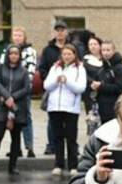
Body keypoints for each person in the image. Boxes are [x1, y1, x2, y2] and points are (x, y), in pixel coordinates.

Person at [0, 45, 31, 176]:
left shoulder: (23, 71)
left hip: (17, 107)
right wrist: (6, 96)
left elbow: (26, 88)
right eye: (11, 53)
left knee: (16, 138)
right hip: (0, 106)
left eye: (16, 53)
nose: (13, 56)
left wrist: (12, 98)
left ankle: (13, 166)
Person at [44, 44, 86, 176]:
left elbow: (80, 88)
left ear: (74, 55)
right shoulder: (55, 67)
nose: (67, 57)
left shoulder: (80, 68)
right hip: (54, 107)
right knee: (57, 137)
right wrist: (56, 81)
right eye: (64, 54)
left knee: (71, 137)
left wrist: (67, 81)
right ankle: (58, 164)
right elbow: (46, 86)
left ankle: (73, 165)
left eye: (69, 54)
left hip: (71, 108)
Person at [4, 26, 38, 158]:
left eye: (20, 35)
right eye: (15, 35)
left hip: (23, 90)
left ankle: (29, 147)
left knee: (26, 118)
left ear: (24, 37)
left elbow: (30, 72)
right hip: (9, 91)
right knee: (11, 118)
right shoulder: (7, 50)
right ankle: (15, 148)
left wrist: (21, 88)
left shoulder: (30, 51)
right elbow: (3, 68)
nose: (17, 37)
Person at [38, 20, 71, 156]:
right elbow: (42, 68)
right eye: (57, 30)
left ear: (66, 31)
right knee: (52, 119)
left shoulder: (72, 48)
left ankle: (69, 145)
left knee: (68, 120)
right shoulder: (48, 50)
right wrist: (50, 80)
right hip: (53, 88)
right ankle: (52, 144)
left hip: (69, 88)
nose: (60, 32)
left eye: (62, 30)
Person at [92, 40, 122, 124]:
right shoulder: (101, 69)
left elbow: (120, 87)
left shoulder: (119, 68)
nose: (105, 53)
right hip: (102, 108)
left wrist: (101, 86)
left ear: (113, 51)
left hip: (115, 108)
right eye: (103, 50)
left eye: (108, 50)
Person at [83, 35, 103, 135]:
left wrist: (101, 83)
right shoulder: (85, 60)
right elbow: (83, 74)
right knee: (91, 114)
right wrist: (92, 82)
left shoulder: (105, 60)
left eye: (95, 44)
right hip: (90, 91)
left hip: (103, 90)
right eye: (90, 44)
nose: (93, 46)